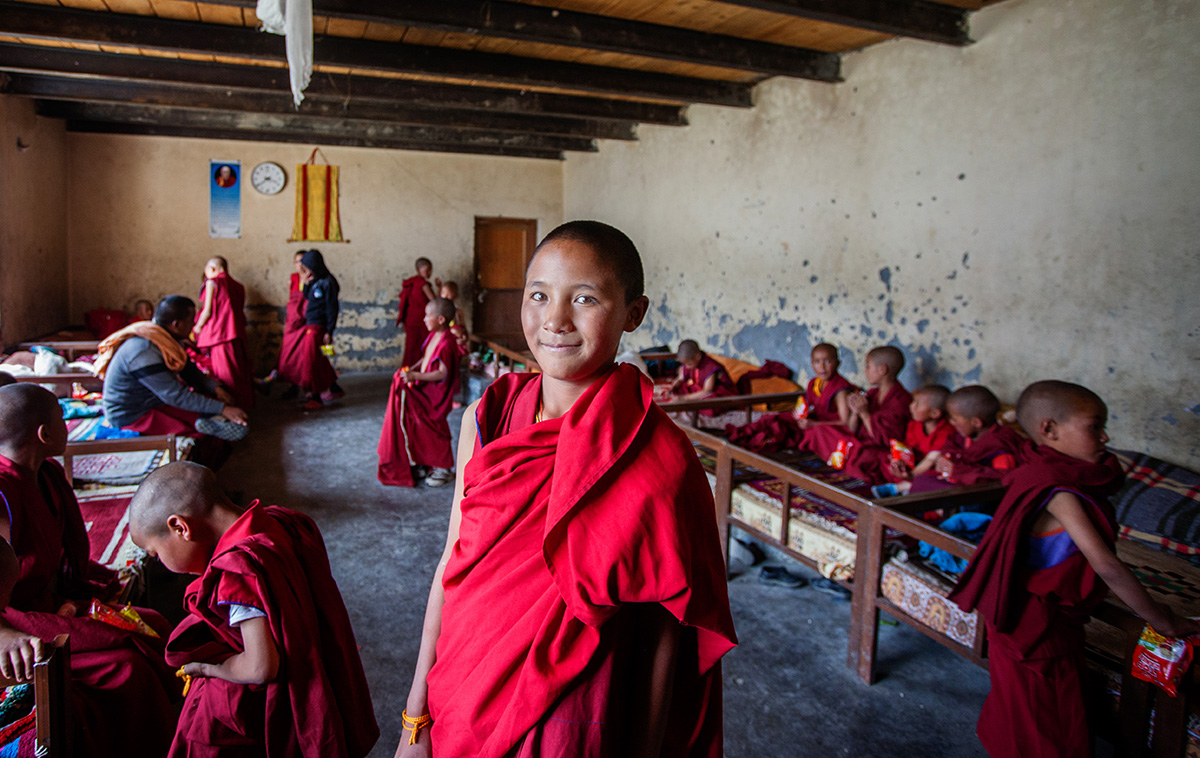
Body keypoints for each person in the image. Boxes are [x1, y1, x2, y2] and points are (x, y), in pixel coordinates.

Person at [396, 221, 737, 757]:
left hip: (575, 717)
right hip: (462, 681)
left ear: (633, 313)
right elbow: (452, 564)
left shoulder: (660, 456)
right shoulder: (487, 420)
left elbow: (667, 632)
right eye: (539, 295)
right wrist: (415, 716)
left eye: (584, 298)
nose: (554, 321)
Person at [949, 380, 1200, 757]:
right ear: (1049, 429)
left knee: (1025, 714)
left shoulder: (1039, 469)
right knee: (1052, 728)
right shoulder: (1060, 491)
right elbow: (1108, 567)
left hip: (1020, 622)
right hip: (1039, 631)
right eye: (1095, 426)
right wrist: (1162, 620)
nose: (1105, 436)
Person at [128, 461, 379, 758]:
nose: (162, 563)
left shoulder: (237, 571)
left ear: (180, 527)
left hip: (280, 705)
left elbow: (260, 668)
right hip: (323, 666)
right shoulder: (283, 521)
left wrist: (213, 669)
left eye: (156, 554)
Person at [0, 384, 178, 757]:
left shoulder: (46, 474)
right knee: (128, 663)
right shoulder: (2, 493)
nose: (67, 427)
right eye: (63, 420)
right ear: (45, 434)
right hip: (14, 620)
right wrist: (2, 633)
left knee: (152, 623)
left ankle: (184, 725)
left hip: (49, 601)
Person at [96, 296, 248, 460]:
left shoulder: (168, 340)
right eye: (191, 321)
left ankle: (203, 419)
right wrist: (222, 408)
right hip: (132, 414)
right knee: (196, 433)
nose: (193, 325)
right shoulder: (144, 351)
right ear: (176, 325)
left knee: (207, 408)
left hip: (154, 401)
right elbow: (175, 395)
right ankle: (200, 426)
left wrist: (215, 388)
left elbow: (189, 371)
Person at [377, 299, 461, 488]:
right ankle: (425, 462)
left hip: (436, 396)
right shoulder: (433, 336)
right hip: (424, 389)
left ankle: (444, 469)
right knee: (418, 425)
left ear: (440, 319)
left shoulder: (447, 342)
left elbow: (442, 372)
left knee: (434, 429)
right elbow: (425, 358)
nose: (423, 319)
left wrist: (416, 375)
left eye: (427, 316)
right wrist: (411, 369)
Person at [803, 346, 912, 472]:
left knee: (863, 457)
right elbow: (852, 428)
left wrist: (865, 414)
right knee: (824, 433)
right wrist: (855, 412)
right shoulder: (873, 393)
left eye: (868, 366)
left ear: (882, 369)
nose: (865, 371)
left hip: (880, 449)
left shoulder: (900, 400)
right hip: (860, 441)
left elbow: (888, 441)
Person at [868, 385, 955, 495]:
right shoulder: (915, 424)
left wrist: (911, 476)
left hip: (930, 468)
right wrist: (899, 461)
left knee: (932, 476)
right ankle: (905, 487)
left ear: (935, 413)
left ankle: (901, 488)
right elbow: (907, 449)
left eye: (917, 404)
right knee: (885, 459)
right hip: (916, 464)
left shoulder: (947, 431)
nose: (911, 406)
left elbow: (930, 460)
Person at [193, 256, 253, 411]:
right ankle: (246, 405)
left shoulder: (212, 283)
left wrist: (197, 328)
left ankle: (233, 408)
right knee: (238, 371)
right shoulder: (238, 286)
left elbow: (207, 311)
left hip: (220, 335)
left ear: (212, 269)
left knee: (226, 376)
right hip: (236, 334)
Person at [296, 249, 344, 411]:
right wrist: (305, 281)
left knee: (311, 362)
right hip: (312, 324)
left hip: (319, 328)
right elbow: (308, 297)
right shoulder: (314, 279)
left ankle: (315, 396)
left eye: (306, 268)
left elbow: (332, 308)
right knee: (321, 360)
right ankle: (334, 388)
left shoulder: (328, 282)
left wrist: (329, 331)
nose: (305, 272)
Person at [260, 250, 308, 398]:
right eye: (297, 262)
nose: (299, 265)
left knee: (304, 357)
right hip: (293, 323)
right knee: (286, 355)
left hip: (306, 323)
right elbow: (293, 301)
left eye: (302, 261)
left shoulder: (312, 279)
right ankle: (286, 383)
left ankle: (308, 389)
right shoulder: (293, 279)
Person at [396, 258, 438, 370]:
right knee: (422, 347)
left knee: (411, 348)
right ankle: (419, 371)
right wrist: (440, 288)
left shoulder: (412, 282)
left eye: (430, 270)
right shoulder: (423, 284)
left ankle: (407, 371)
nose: (429, 273)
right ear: (419, 269)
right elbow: (434, 301)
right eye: (427, 270)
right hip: (422, 321)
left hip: (411, 320)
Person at [670, 339, 736, 402]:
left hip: (717, 391)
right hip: (700, 388)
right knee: (680, 389)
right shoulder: (692, 362)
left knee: (709, 402)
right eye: (684, 364)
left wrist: (684, 398)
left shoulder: (710, 366)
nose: (686, 367)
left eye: (689, 364)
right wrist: (672, 388)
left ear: (698, 357)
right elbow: (680, 379)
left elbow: (708, 391)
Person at [439, 281, 470, 354]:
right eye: (443, 293)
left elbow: (463, 327)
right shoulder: (439, 311)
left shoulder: (458, 312)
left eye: (449, 294)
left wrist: (464, 337)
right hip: (444, 343)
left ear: (456, 295)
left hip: (456, 343)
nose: (445, 296)